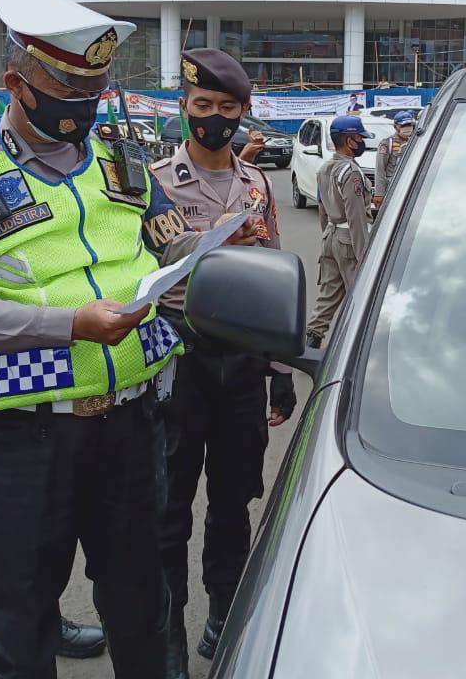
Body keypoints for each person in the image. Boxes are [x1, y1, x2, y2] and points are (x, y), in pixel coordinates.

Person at [0, 0, 250, 679]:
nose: (85, 103)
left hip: (132, 425)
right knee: (19, 623)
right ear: (16, 82)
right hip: (20, 436)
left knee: (143, 608)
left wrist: (208, 245)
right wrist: (70, 325)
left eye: (95, 86)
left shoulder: (123, 161)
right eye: (68, 87)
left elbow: (167, 249)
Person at [152, 49, 296, 678]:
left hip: (240, 358)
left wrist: (280, 366)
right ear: (185, 108)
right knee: (169, 502)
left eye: (226, 108)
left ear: (242, 114)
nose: (213, 118)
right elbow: (147, 266)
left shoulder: (257, 184)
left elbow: (272, 270)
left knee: (234, 499)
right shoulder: (152, 181)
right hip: (177, 349)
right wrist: (209, 244)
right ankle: (167, 633)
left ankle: (222, 611)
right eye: (202, 106)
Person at [305, 114, 374, 349]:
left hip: (331, 236)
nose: (362, 142)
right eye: (359, 138)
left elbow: (322, 208)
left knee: (329, 294)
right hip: (349, 240)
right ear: (348, 141)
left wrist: (328, 237)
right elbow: (356, 217)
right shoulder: (351, 173)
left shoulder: (325, 169)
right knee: (361, 294)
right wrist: (363, 255)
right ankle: (354, 348)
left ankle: (312, 339)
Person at [373, 109, 415, 208]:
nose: (407, 128)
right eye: (403, 125)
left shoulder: (416, 141)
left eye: (409, 124)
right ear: (396, 126)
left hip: (410, 187)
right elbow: (380, 169)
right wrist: (379, 193)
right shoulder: (387, 144)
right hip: (393, 188)